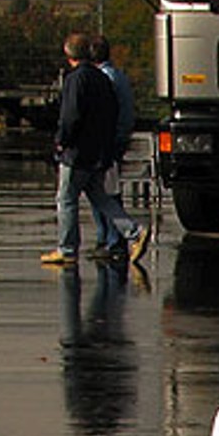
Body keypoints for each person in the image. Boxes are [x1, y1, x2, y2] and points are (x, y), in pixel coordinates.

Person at [43, 32, 150, 270]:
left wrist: (62, 140)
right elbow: (112, 112)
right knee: (100, 196)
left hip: (77, 152)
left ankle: (67, 249)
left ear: (69, 54)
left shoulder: (75, 79)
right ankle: (134, 231)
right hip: (97, 151)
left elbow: (71, 115)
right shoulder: (102, 79)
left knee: (66, 198)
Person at [89, 35, 139, 261]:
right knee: (106, 188)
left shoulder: (104, 78)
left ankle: (113, 240)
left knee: (104, 190)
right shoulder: (118, 75)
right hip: (119, 137)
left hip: (109, 141)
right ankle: (109, 238)